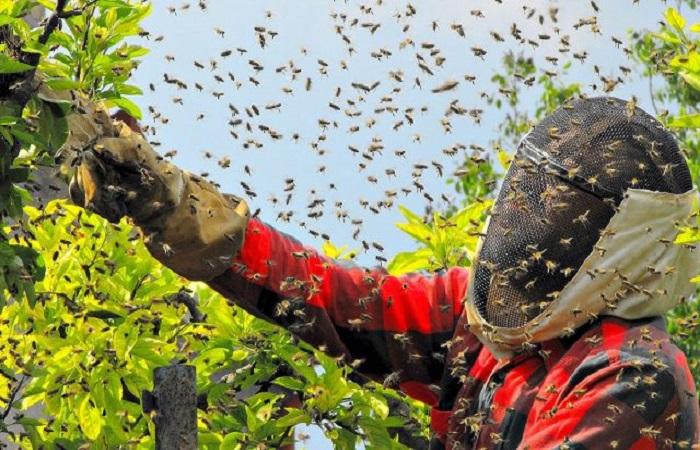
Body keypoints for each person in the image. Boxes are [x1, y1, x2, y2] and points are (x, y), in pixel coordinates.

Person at [63, 88, 700, 449]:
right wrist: (177, 210)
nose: (529, 228)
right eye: (534, 201)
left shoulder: (631, 378)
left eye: (561, 214)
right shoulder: (480, 322)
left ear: (626, 243)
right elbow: (339, 300)